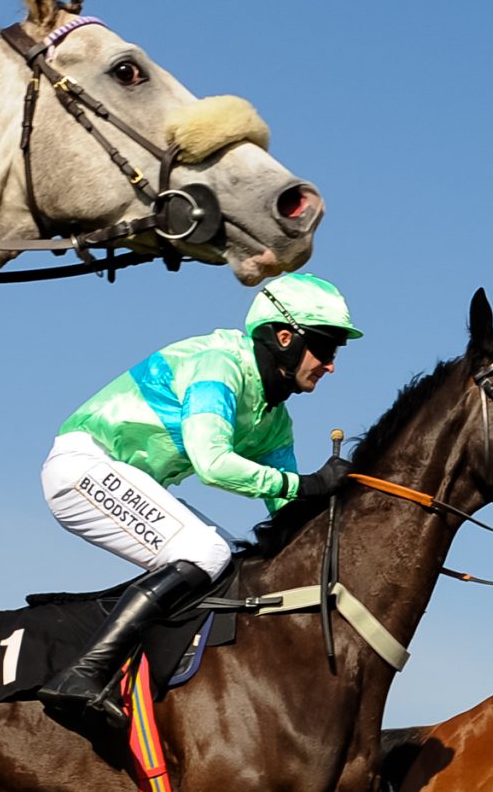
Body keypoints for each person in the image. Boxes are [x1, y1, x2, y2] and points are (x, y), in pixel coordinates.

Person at [36, 273, 362, 728]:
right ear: (284, 337)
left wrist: (347, 506)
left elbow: (287, 511)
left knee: (233, 563)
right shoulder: (218, 365)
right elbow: (213, 464)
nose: (330, 366)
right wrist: (306, 484)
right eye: (325, 349)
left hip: (124, 479)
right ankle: (84, 673)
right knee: (206, 551)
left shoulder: (274, 421)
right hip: (83, 467)